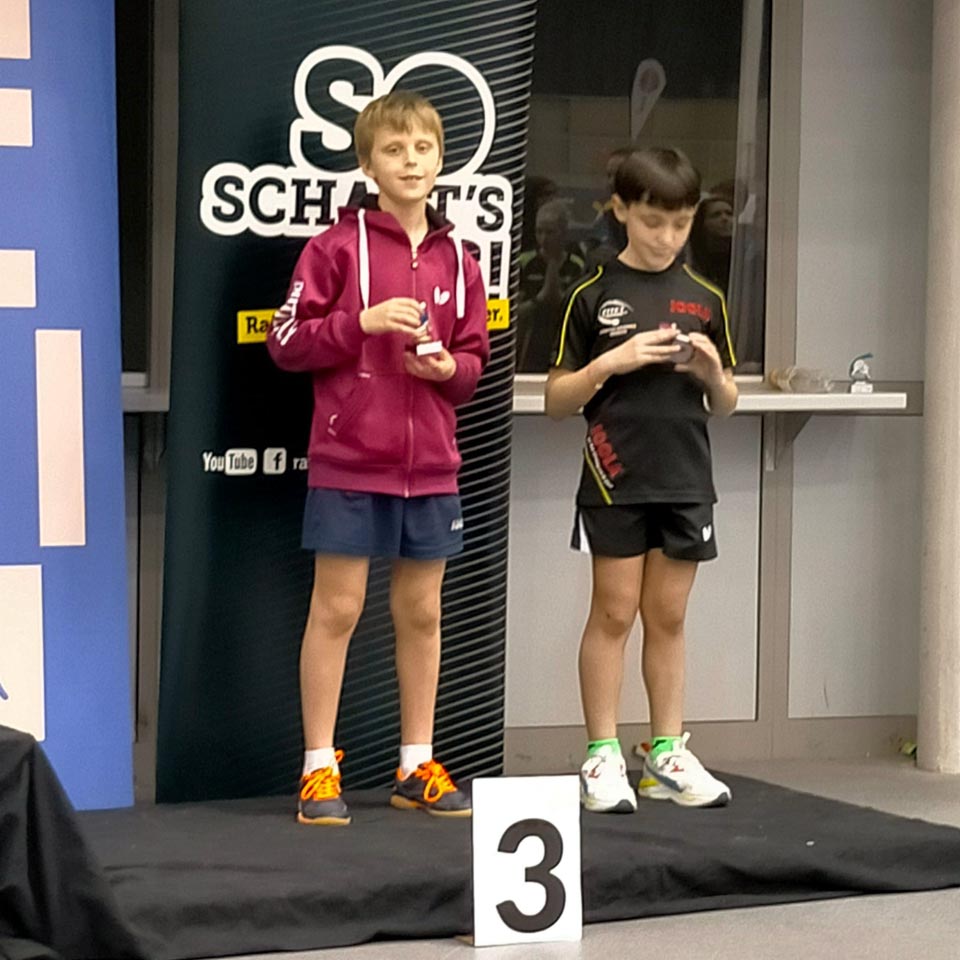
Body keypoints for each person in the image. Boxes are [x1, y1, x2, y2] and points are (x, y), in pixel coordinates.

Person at [267, 91, 489, 826]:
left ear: (441, 158)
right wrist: (358, 323)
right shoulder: (334, 248)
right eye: (394, 150)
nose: (411, 162)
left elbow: (473, 365)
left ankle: (415, 763)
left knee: (422, 612)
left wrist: (446, 371)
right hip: (350, 459)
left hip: (432, 467)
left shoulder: (461, 257)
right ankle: (318, 768)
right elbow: (284, 342)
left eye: (423, 148)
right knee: (337, 609)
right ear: (368, 164)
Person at [544, 147, 738, 813]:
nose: (668, 237)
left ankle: (665, 754)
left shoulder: (707, 297)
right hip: (614, 477)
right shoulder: (590, 293)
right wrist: (612, 362)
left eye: (681, 224)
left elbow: (726, 401)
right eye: (654, 222)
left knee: (670, 615)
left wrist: (711, 372)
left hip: (687, 478)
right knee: (613, 611)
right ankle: (602, 754)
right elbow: (557, 399)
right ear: (621, 210)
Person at [516, 199, 585, 371]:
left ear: (563, 233)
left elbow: (580, 311)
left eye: (550, 232)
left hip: (563, 339)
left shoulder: (576, 265)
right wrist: (538, 301)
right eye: (539, 231)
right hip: (530, 339)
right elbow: (514, 311)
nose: (544, 238)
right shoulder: (524, 262)